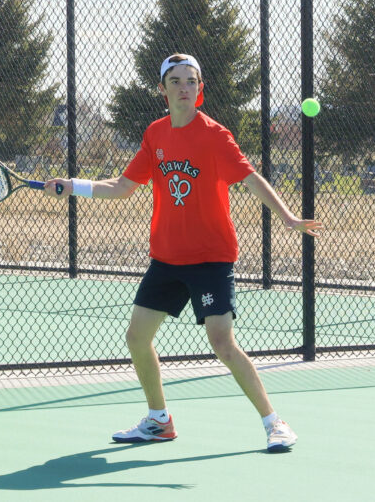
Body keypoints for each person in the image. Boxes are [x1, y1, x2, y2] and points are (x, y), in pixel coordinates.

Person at [44, 53, 323, 452]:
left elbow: (250, 179)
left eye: (191, 80)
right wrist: (73, 185)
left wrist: (288, 217)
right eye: (175, 81)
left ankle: (274, 422)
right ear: (163, 89)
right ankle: (159, 421)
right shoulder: (156, 134)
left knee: (222, 341)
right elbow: (123, 186)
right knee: (137, 337)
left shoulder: (215, 135)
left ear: (200, 89)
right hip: (167, 259)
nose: (184, 87)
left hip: (211, 258)